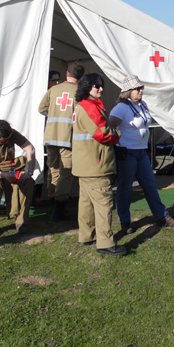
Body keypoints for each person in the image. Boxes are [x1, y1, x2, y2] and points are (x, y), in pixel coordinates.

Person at [109, 75, 174, 234]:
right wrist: (117, 145)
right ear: (128, 91)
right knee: (125, 187)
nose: (141, 91)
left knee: (150, 184)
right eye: (137, 88)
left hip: (141, 152)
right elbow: (110, 128)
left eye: (141, 88)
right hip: (127, 153)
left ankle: (162, 216)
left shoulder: (143, 104)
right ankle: (125, 221)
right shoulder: (121, 108)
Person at [73, 73, 127, 256]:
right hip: (96, 166)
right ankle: (105, 243)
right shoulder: (89, 106)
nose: (101, 89)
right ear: (88, 87)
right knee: (103, 204)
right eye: (97, 86)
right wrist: (117, 134)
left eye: (101, 85)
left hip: (85, 165)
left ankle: (86, 236)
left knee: (86, 204)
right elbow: (102, 133)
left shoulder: (81, 105)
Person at [38, 62, 85, 220]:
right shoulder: (80, 91)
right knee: (66, 172)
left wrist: (52, 115)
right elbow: (81, 113)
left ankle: (53, 197)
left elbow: (41, 108)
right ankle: (59, 205)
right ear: (80, 77)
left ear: (67, 73)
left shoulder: (53, 89)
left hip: (51, 135)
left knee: (54, 168)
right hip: (67, 137)